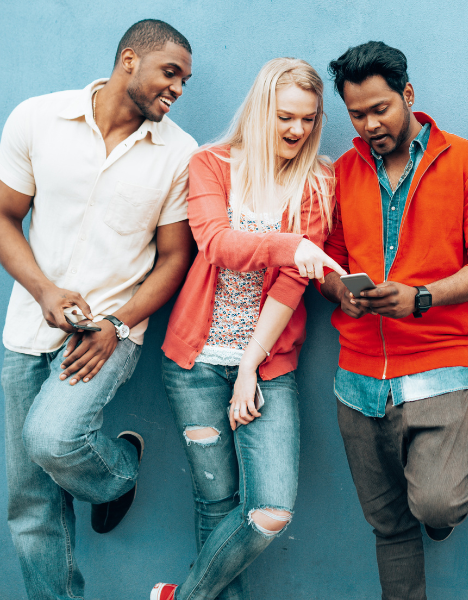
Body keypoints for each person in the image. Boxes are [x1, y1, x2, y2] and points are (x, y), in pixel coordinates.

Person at [0, 19, 198, 600]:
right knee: (30, 502)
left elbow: (175, 258)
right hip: (29, 325)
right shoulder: (37, 118)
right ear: (129, 60)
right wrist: (45, 291)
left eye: (185, 80)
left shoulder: (179, 153)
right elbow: (3, 217)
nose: (178, 88)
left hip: (111, 332)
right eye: (169, 72)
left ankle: (117, 474)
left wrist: (117, 324)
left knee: (52, 439)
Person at [317, 41, 468, 600]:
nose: (371, 123)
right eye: (358, 114)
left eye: (381, 108)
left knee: (437, 502)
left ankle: (439, 514)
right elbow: (330, 260)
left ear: (408, 95)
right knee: (388, 527)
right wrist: (340, 291)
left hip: (439, 368)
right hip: (356, 381)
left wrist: (422, 298)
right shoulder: (346, 171)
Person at [150, 57, 342, 600]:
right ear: (261, 111)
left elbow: (289, 284)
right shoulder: (210, 165)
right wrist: (292, 245)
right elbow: (216, 244)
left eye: (308, 119)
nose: (297, 131)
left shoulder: (316, 182)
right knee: (216, 504)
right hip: (193, 365)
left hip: (267, 367)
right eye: (285, 117)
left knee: (270, 510)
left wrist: (249, 366)